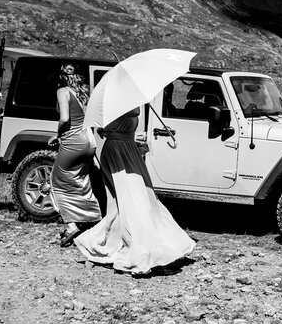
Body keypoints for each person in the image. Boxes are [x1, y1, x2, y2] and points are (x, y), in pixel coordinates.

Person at [74, 107, 195, 275]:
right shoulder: (126, 103)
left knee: (136, 199)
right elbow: (109, 129)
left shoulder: (121, 104)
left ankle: (115, 243)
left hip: (125, 150)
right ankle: (132, 245)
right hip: (119, 151)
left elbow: (105, 131)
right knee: (130, 199)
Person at [49, 64, 101, 247]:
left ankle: (71, 226)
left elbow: (64, 118)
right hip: (89, 142)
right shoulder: (84, 93)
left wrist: (58, 134)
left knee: (57, 182)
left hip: (73, 142)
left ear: (61, 77)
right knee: (81, 181)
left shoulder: (63, 91)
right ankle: (94, 218)